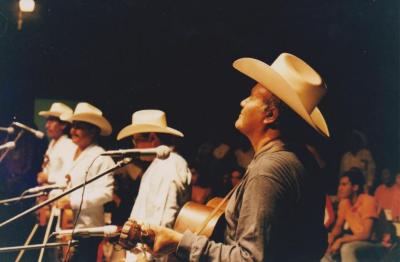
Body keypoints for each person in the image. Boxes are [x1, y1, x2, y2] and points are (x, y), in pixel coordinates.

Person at [120, 53, 330, 261]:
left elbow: (250, 258)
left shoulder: (269, 169)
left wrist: (179, 242)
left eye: (252, 96)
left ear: (270, 115)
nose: (242, 102)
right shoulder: (300, 161)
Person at [116, 109, 191, 261]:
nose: (134, 145)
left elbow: (164, 217)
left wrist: (146, 257)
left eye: (136, 140)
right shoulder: (159, 165)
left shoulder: (169, 164)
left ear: (152, 138)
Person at [56, 102, 115, 261]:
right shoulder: (71, 152)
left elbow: (106, 193)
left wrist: (72, 202)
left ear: (93, 131)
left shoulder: (101, 157)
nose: (73, 130)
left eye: (79, 127)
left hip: (87, 229)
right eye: (73, 125)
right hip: (64, 225)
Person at [322, 168, 386, 262]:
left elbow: (366, 235)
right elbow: (338, 226)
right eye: (340, 184)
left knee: (348, 248)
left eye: (344, 185)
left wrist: (341, 240)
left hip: (377, 244)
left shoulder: (368, 201)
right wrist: (331, 239)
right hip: (358, 241)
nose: (340, 188)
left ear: (355, 187)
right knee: (322, 244)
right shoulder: (345, 203)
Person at [37, 102, 76, 186]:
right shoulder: (52, 144)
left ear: (64, 125)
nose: (47, 125)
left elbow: (69, 175)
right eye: (47, 121)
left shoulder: (68, 145)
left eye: (52, 121)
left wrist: (48, 177)